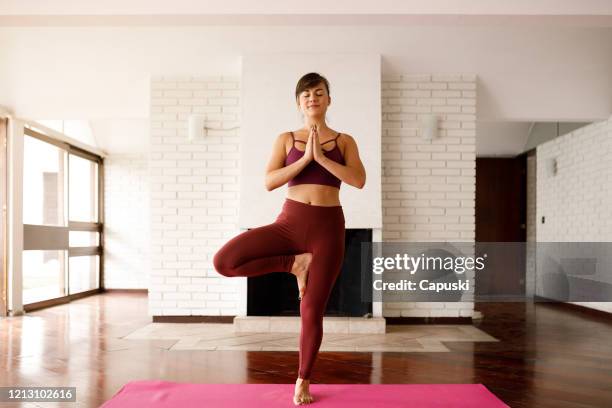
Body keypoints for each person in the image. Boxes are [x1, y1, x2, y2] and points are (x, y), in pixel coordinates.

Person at [213, 72, 366, 405]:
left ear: (328, 99)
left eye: (319, 92)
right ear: (299, 102)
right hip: (290, 222)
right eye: (306, 94)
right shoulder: (286, 139)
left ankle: (303, 379)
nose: (313, 98)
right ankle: (292, 264)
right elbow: (269, 181)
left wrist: (322, 159)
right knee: (224, 261)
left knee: (311, 310)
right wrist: (306, 160)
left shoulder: (344, 141)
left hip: (328, 228)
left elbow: (358, 180)